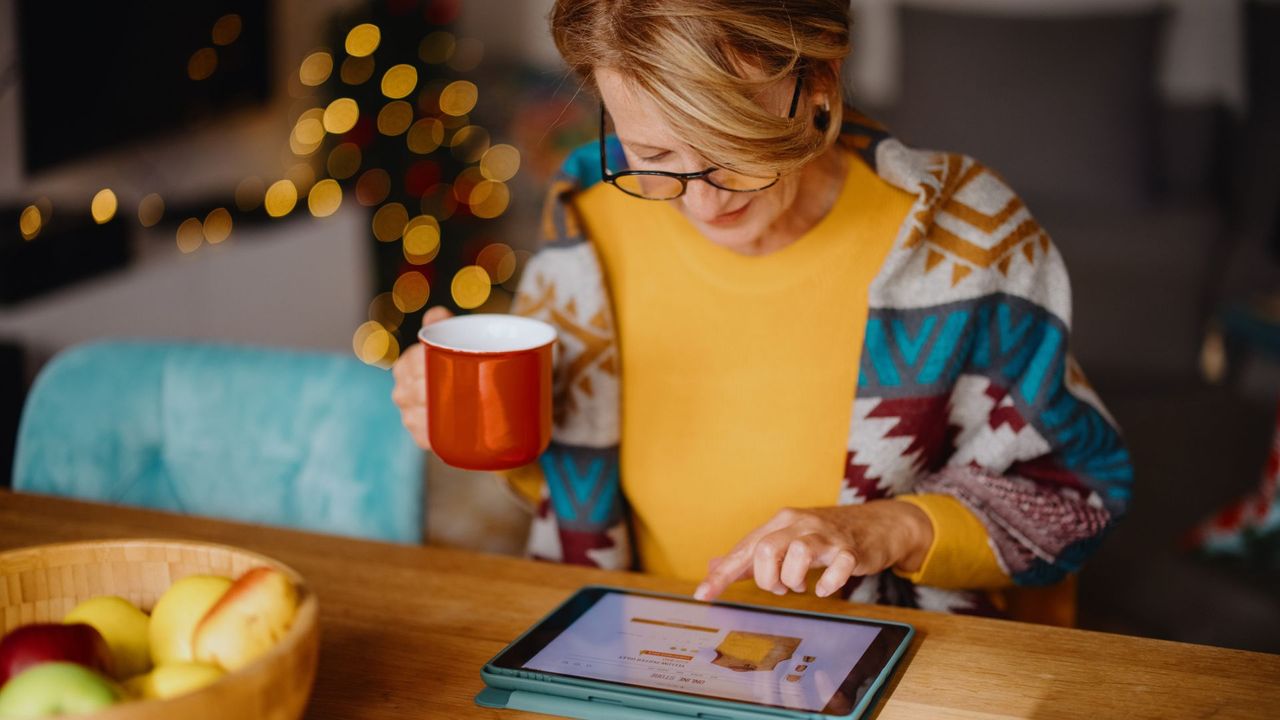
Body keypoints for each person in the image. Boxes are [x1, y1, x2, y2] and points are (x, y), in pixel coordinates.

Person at [392, 0, 1132, 622]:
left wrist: (883, 527)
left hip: (902, 665)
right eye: (653, 153)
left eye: (735, 142)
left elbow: (1075, 495)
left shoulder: (962, 238)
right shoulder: (586, 224)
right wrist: (488, 421)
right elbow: (567, 484)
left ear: (820, 78)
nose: (703, 198)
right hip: (637, 651)